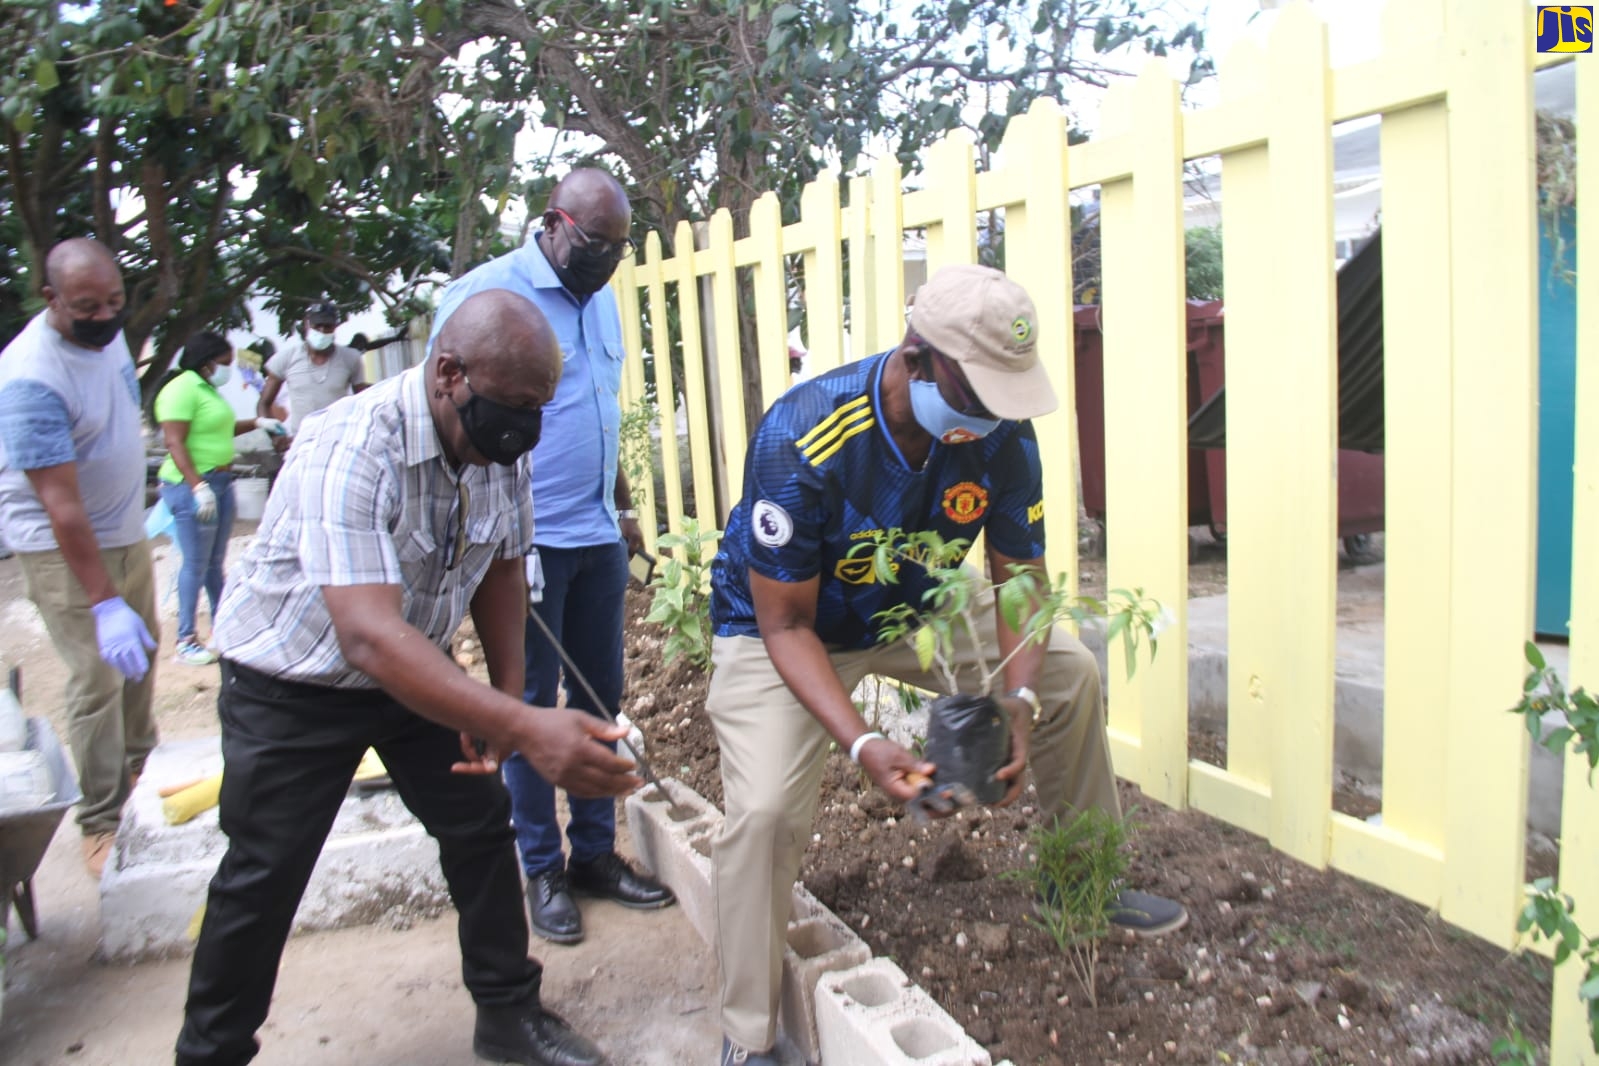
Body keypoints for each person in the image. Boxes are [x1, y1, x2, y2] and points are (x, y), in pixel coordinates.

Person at [704, 264, 1189, 1064]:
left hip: (910, 604)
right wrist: (863, 743)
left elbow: (1020, 582)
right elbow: (784, 621)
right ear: (917, 355)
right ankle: (749, 1032)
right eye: (977, 394)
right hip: (783, 631)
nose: (991, 417)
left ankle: (1081, 886)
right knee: (760, 816)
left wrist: (1021, 706)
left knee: (1070, 674)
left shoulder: (999, 434)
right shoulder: (804, 435)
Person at [175, 289, 634, 1066]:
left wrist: (504, 703)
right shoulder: (349, 444)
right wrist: (527, 727)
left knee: (479, 826)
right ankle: (211, 1053)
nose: (528, 426)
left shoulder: (498, 447)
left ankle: (507, 1015)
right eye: (517, 405)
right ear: (449, 373)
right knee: (264, 873)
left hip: (414, 670)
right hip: (294, 685)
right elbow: (366, 634)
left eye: (541, 408)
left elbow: (502, 564)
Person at [428, 169, 673, 947]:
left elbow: (601, 415)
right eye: (595, 246)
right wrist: (481, 535)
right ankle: (540, 866)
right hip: (521, 543)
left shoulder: (600, 303)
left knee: (600, 696)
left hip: (596, 536)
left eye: (618, 251)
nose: (606, 263)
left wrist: (626, 508)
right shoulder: (488, 295)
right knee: (529, 703)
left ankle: (594, 855)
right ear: (555, 224)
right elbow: (448, 420)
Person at [0, 237, 159, 877]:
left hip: (125, 531)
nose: (105, 316)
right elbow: (61, 507)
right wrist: (103, 600)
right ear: (51, 300)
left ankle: (145, 771)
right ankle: (101, 819)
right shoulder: (31, 376)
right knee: (96, 677)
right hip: (60, 546)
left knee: (141, 658)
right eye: (87, 307)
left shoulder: (110, 335)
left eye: (115, 301)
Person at [151, 331, 285, 666]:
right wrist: (197, 486)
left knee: (214, 563)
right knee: (195, 563)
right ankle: (185, 640)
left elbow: (218, 429)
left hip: (222, 480)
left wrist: (257, 422)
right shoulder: (181, 389)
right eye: (225, 363)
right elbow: (175, 443)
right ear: (207, 360)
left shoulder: (207, 389)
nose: (228, 369)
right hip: (193, 483)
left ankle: (223, 627)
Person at [256, 299, 367, 440]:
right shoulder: (286, 358)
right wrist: (275, 437)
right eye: (317, 326)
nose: (322, 331)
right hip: (299, 440)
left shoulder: (351, 358)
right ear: (307, 324)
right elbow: (264, 403)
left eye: (328, 326)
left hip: (338, 438)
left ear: (335, 327)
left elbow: (363, 401)